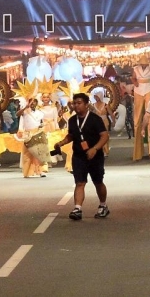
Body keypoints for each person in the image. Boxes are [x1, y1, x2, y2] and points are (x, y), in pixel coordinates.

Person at [52, 93, 109, 221]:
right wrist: (61, 143)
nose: (76, 105)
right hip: (78, 156)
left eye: (79, 103)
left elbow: (104, 136)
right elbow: (71, 135)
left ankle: (103, 205)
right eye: (74, 103)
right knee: (80, 182)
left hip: (95, 156)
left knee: (98, 182)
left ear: (86, 104)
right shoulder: (72, 120)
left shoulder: (95, 119)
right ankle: (77, 208)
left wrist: (95, 149)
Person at [17, 99, 49, 178]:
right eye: (30, 102)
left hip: (38, 133)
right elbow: (17, 114)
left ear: (36, 103)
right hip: (28, 134)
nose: (32, 103)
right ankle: (28, 171)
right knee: (28, 154)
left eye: (34, 102)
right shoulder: (25, 112)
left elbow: (41, 122)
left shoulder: (40, 113)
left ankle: (42, 171)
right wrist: (25, 107)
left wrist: (42, 126)